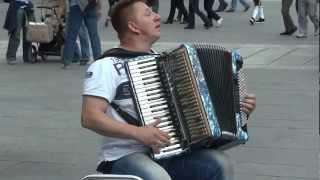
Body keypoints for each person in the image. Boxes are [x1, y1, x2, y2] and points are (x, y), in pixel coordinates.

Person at [81, 0, 257, 180]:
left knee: (219, 164)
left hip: (172, 152)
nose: (157, 16)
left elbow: (195, 112)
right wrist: (138, 133)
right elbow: (90, 117)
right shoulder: (106, 66)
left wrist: (238, 108)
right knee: (158, 178)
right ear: (133, 26)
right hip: (125, 155)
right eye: (148, 14)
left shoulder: (165, 63)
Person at [62, 0, 102, 69]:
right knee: (94, 36)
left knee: (72, 35)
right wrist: (99, 8)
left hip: (75, 6)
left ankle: (67, 62)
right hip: (91, 5)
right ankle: (98, 61)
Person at [3, 0, 35, 65]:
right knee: (15, 33)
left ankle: (27, 57)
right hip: (17, 8)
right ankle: (11, 57)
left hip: (28, 8)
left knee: (29, 34)